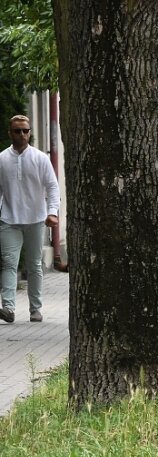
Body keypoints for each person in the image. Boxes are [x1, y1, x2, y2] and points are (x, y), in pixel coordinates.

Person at [0, 115, 61, 324]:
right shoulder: (2, 159)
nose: (22, 134)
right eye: (18, 131)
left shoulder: (40, 158)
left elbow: (52, 186)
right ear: (10, 133)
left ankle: (35, 309)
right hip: (9, 219)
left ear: (30, 132)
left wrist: (52, 211)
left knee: (34, 265)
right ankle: (8, 307)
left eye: (26, 131)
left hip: (36, 218)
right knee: (9, 263)